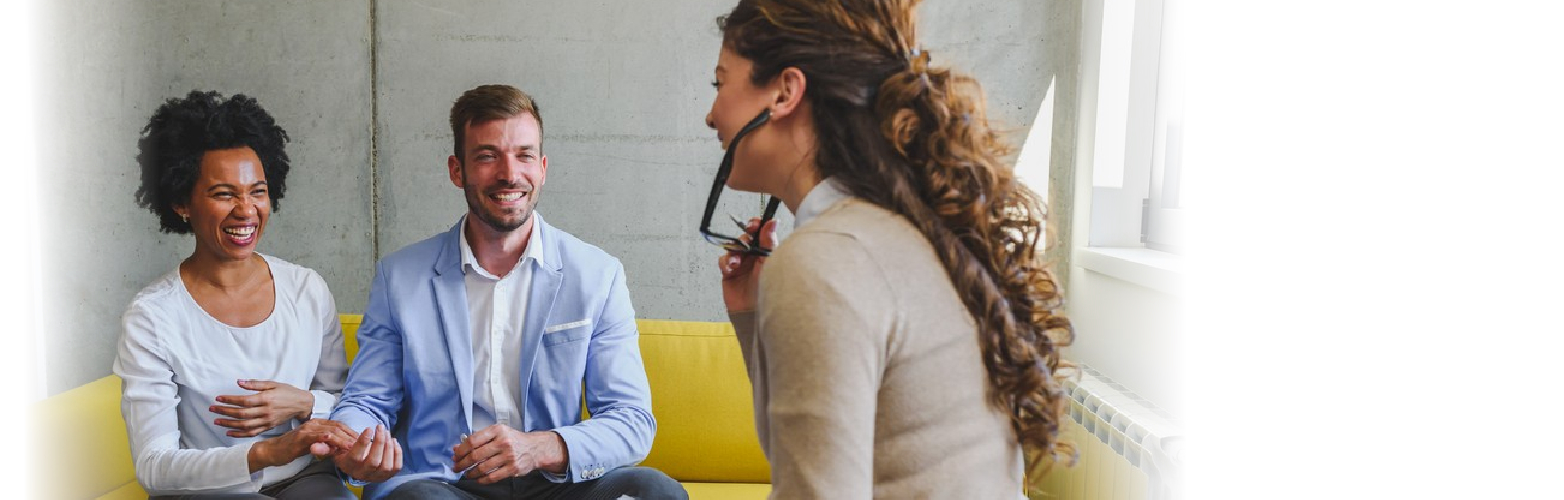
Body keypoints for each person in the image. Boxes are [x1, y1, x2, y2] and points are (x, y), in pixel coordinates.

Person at [705, 1, 1077, 498]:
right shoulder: (908, 233)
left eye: (720, 83)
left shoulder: (827, 257)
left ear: (785, 92)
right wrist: (753, 314)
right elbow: (832, 453)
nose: (712, 115)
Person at [329, 84, 687, 500]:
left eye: (524, 155)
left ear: (543, 167)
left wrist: (542, 448)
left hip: (555, 484)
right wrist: (351, 446)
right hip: (443, 485)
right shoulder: (400, 278)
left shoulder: (597, 275)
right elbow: (368, 401)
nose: (509, 173)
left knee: (654, 492)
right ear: (456, 170)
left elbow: (631, 419)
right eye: (487, 156)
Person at [113, 90, 359, 499]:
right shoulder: (152, 316)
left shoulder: (306, 289)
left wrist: (302, 403)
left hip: (305, 479)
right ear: (181, 202)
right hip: (206, 491)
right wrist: (269, 451)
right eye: (224, 193)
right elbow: (154, 466)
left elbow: (349, 407)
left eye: (257, 191)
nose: (246, 210)